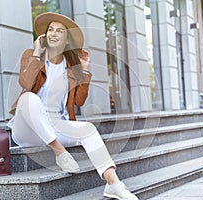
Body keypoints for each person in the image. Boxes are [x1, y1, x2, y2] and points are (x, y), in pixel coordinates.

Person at [8, 12, 139, 200]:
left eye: (59, 31)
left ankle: (113, 184)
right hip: (26, 130)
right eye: (50, 30)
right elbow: (25, 83)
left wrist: (84, 71)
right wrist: (37, 52)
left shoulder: (70, 66)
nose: (53, 34)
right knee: (29, 98)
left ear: (67, 40)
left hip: (56, 125)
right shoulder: (31, 55)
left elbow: (79, 101)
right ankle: (60, 152)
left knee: (89, 129)